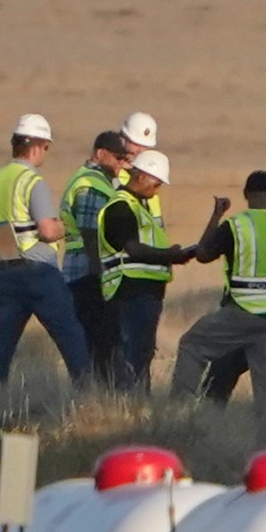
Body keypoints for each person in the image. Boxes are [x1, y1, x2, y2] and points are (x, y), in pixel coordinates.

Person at [170, 171, 266, 417]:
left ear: (246, 195)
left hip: (243, 312)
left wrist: (217, 215)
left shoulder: (237, 226)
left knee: (192, 344)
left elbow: (203, 254)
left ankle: (177, 413)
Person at [0, 114, 89, 390]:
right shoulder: (31, 181)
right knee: (70, 336)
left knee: (2, 343)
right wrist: (68, 227)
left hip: (4, 273)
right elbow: (48, 231)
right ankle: (89, 396)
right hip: (38, 274)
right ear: (37, 146)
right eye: (47, 147)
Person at [95, 149, 195, 392]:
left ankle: (136, 404)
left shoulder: (140, 208)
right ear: (142, 176)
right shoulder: (120, 208)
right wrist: (171, 255)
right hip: (129, 293)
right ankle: (129, 405)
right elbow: (134, 250)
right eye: (156, 183)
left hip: (145, 294)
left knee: (141, 354)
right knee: (132, 355)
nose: (157, 190)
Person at [58, 131, 134, 383]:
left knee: (99, 341)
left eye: (125, 159)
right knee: (99, 340)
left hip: (86, 270)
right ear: (100, 154)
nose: (122, 164)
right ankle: (97, 394)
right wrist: (99, 273)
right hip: (87, 273)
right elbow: (89, 231)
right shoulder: (90, 184)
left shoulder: (99, 180)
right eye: (118, 158)